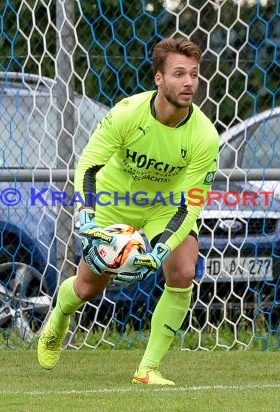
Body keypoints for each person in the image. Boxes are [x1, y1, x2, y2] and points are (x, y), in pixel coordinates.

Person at [37, 36, 219, 385]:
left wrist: (161, 248)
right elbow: (89, 164)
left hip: (164, 208)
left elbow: (191, 202)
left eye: (194, 75)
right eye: (179, 74)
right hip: (113, 202)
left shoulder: (204, 137)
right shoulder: (126, 113)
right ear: (159, 79)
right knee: (89, 287)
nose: (188, 83)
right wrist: (87, 215)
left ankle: (148, 369)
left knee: (182, 270)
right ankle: (60, 314)